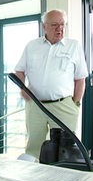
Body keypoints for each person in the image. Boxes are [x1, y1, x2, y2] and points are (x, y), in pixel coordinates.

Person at [14, 9, 88, 158]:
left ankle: (62, 179)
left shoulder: (74, 46)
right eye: (54, 24)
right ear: (44, 27)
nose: (59, 28)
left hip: (63, 106)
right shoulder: (32, 46)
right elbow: (19, 71)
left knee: (64, 149)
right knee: (34, 147)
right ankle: (33, 178)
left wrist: (75, 103)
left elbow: (80, 78)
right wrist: (23, 89)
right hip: (35, 105)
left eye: (62, 24)